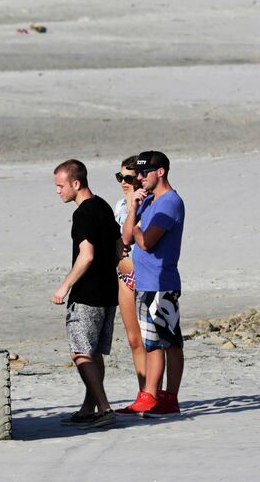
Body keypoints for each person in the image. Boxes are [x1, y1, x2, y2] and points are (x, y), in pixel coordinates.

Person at [52, 159, 121, 429]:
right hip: (108, 291)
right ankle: (88, 407)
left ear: (76, 183)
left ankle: (104, 407)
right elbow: (119, 247)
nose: (58, 191)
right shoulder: (103, 206)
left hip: (87, 294)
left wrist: (64, 286)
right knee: (94, 353)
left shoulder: (82, 214)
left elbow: (87, 255)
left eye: (60, 186)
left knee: (80, 352)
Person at [120, 151, 185, 416]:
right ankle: (159, 397)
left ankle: (155, 397)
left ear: (160, 172)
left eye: (144, 173)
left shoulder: (169, 202)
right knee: (161, 341)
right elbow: (127, 238)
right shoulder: (147, 201)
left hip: (161, 281)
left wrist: (136, 229)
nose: (140, 178)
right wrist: (134, 207)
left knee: (161, 342)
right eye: (138, 174)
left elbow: (146, 242)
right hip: (147, 282)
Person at [113, 156, 147, 393]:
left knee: (149, 341)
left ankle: (152, 392)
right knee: (134, 340)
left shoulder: (146, 202)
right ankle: (142, 390)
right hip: (123, 277)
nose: (124, 182)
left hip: (145, 277)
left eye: (128, 177)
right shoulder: (119, 206)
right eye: (120, 177)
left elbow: (133, 238)